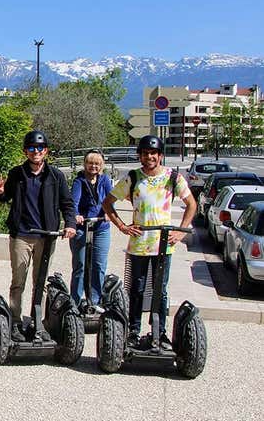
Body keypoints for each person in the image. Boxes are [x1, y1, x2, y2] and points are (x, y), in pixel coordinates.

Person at [102, 135, 196, 350]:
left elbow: (191, 204)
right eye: (145, 153)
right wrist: (122, 226)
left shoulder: (173, 178)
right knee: (137, 288)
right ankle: (133, 330)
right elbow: (107, 203)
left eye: (153, 153)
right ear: (140, 156)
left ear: (160, 155)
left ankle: (159, 331)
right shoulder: (133, 178)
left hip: (163, 244)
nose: (150, 157)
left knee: (160, 290)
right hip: (139, 244)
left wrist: (181, 232)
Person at [0, 130, 76, 342]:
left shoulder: (56, 176)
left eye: (39, 148)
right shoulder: (17, 173)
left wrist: (70, 224)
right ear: (25, 151)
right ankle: (16, 321)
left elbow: (67, 203)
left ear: (45, 151)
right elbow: (6, 197)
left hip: (47, 236)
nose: (35, 152)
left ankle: (39, 323)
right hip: (22, 234)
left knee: (41, 282)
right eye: (31, 148)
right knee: (18, 281)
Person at [69, 149, 113, 308]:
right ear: (85, 164)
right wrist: (76, 215)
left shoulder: (105, 180)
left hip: (101, 226)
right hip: (83, 226)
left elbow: (110, 200)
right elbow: (73, 202)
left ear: (101, 165)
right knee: (80, 265)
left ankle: (95, 300)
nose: (93, 166)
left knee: (99, 264)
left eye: (97, 164)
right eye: (90, 163)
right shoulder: (79, 181)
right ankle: (74, 301)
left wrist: (108, 212)